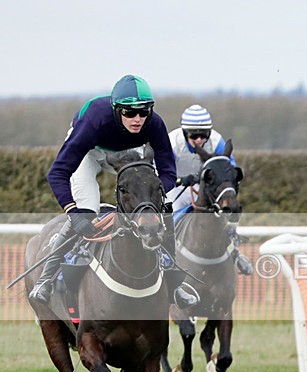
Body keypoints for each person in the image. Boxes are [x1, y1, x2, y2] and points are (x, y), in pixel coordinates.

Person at [28, 74, 199, 308]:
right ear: (117, 110)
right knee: (87, 210)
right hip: (88, 153)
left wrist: (154, 198)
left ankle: (174, 282)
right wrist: (73, 212)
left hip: (125, 156)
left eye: (144, 111)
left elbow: (168, 172)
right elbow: (57, 174)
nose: (138, 119)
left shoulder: (155, 124)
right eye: (129, 113)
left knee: (160, 207)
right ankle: (47, 278)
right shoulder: (94, 122)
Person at [166, 104, 253, 275]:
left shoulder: (217, 141)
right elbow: (159, 173)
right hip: (175, 187)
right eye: (194, 135)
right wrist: (180, 180)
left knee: (230, 206)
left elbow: (230, 170)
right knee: (168, 213)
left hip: (205, 185)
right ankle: (166, 256)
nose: (199, 139)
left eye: (203, 134)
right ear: (184, 132)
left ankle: (235, 252)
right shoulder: (171, 142)